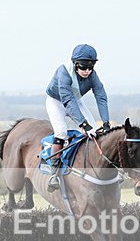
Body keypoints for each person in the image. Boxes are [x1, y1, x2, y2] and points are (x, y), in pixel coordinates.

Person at [44, 44, 112, 192]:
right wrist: (82, 123)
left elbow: (101, 96)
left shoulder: (92, 75)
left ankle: (93, 168)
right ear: (75, 64)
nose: (87, 71)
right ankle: (54, 173)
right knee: (61, 132)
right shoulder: (63, 72)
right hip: (57, 101)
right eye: (83, 67)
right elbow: (67, 101)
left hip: (76, 100)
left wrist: (106, 121)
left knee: (94, 132)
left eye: (90, 67)